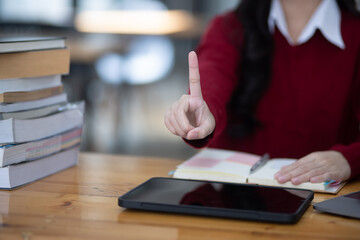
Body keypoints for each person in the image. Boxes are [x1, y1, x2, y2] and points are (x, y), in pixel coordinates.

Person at [164, 0, 360, 185]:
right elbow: (214, 71)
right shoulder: (230, 26)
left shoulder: (355, 35)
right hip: (231, 201)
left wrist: (349, 159)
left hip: (319, 205)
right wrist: (204, 109)